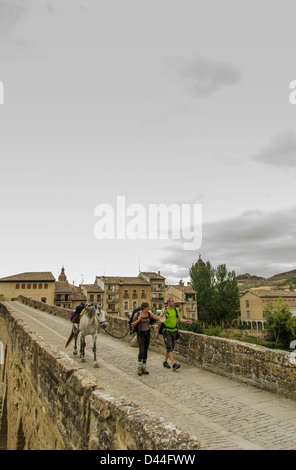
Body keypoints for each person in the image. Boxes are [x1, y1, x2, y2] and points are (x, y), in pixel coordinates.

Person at [156, 297, 192, 371]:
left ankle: (165, 362)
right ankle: (174, 364)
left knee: (170, 347)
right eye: (172, 301)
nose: (173, 302)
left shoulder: (175, 310)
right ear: (168, 302)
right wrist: (157, 332)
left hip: (174, 331)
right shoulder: (164, 310)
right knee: (169, 347)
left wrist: (186, 321)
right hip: (166, 331)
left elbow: (180, 319)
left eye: (173, 301)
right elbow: (160, 321)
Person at [131, 302, 160, 376]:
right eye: (148, 307)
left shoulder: (149, 314)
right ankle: (139, 367)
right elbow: (132, 324)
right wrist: (138, 320)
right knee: (141, 350)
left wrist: (163, 315)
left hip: (147, 333)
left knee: (146, 351)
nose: (149, 308)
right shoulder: (137, 314)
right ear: (144, 307)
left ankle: (144, 367)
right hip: (140, 334)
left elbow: (157, 317)